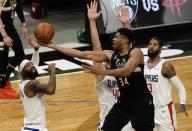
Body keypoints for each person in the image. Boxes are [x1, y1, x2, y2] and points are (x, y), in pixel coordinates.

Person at [41, 1, 154, 130]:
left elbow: (126, 71)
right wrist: (54, 46)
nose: (113, 39)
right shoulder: (110, 55)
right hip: (124, 103)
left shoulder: (136, 53)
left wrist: (101, 72)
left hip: (142, 102)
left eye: (116, 37)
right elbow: (83, 54)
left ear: (124, 40)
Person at [87, 2, 132, 130]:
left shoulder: (125, 71)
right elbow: (96, 48)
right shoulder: (102, 76)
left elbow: (128, 49)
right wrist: (92, 21)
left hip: (126, 126)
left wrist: (126, 24)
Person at [144, 36, 188, 131]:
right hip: (148, 111)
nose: (151, 46)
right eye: (150, 44)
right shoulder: (142, 63)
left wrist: (182, 103)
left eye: (155, 44)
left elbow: (180, 87)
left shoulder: (166, 66)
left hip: (164, 111)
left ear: (160, 49)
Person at [18, 38, 56, 131]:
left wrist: (36, 49)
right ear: (23, 72)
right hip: (35, 128)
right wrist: (52, 72)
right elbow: (50, 90)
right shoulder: (32, 84)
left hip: (30, 127)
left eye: (31, 65)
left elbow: (34, 64)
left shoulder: (23, 82)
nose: (32, 66)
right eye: (28, 66)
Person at [0, 0, 28, 99]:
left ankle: (4, 79)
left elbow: (18, 7)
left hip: (10, 29)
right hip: (1, 32)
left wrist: (23, 24)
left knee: (20, 54)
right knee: (3, 57)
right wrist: (4, 36)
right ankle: (2, 87)